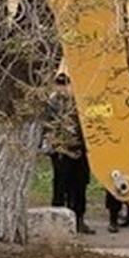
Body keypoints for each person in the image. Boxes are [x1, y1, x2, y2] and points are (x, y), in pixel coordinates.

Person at [44, 73, 95, 234]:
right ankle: (58, 218)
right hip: (61, 149)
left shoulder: (81, 101)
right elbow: (48, 125)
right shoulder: (52, 103)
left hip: (80, 149)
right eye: (60, 84)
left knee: (80, 184)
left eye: (66, 84)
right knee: (61, 183)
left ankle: (79, 218)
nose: (63, 88)